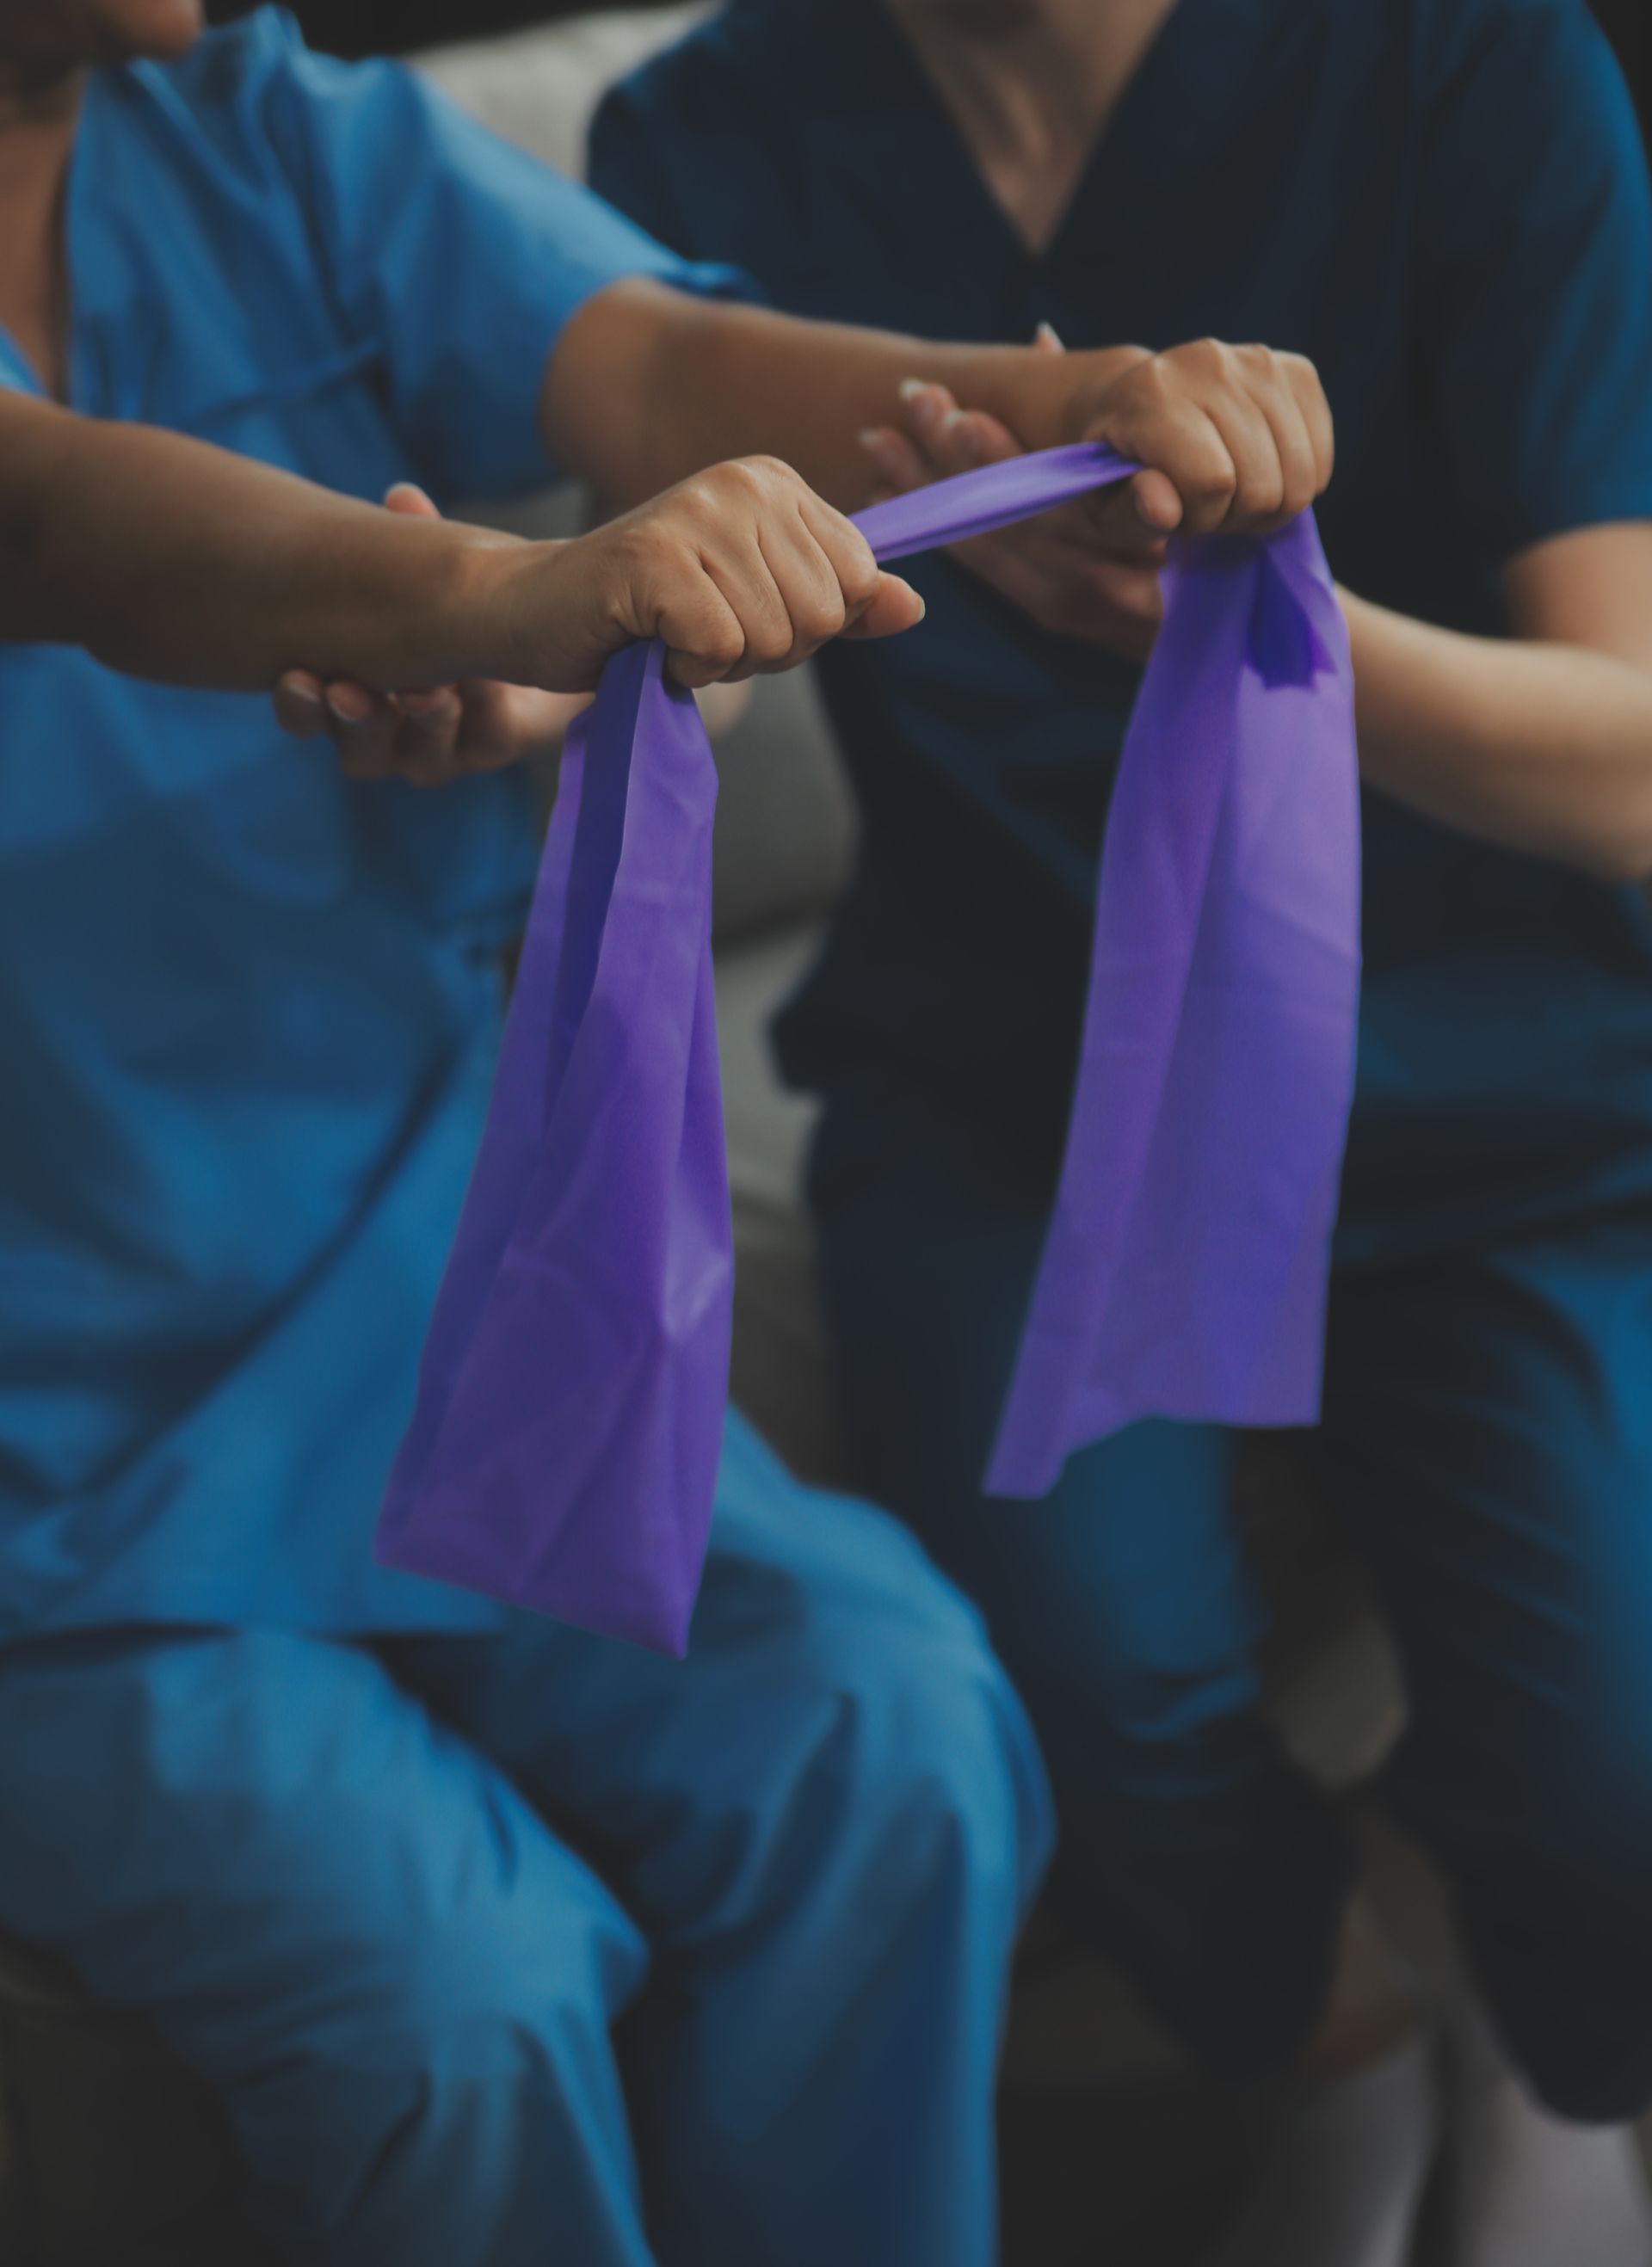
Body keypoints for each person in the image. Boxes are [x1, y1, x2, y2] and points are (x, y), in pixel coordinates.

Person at [0, 4, 1336, 2262]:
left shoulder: (263, 136)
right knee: (463, 2001)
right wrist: (498, 594)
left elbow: (659, 373)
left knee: (901, 1730)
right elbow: (49, 516)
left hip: (426, 1309)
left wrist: (1070, 406)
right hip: (43, 1449)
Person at [589, 3, 1652, 2264]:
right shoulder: (698, 135)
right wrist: (551, 656)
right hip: (1018, 1087)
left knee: (1608, 1755)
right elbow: (684, 616)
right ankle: (1335, 2048)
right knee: (1095, 1673)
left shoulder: (1471, 70)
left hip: (1497, 1080)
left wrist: (1253, 630)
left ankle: (1566, 2063)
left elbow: (1634, 761)